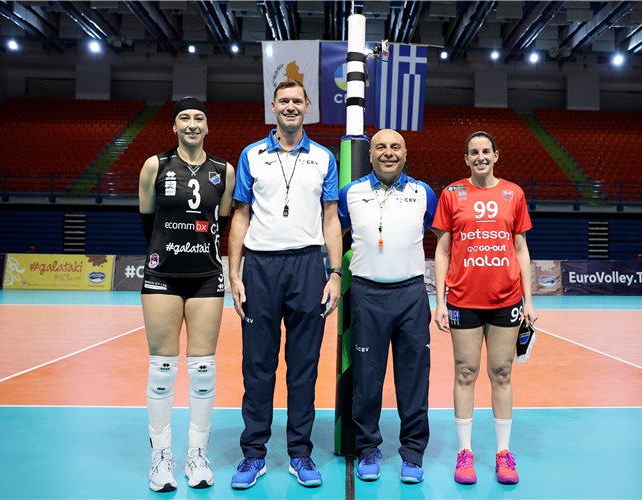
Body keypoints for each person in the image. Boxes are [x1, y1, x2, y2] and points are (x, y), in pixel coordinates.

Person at [227, 79, 342, 489]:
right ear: (273, 106)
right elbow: (240, 215)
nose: (291, 106)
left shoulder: (324, 158)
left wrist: (335, 273)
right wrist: (234, 273)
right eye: (284, 101)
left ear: (307, 107)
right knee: (258, 366)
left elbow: (332, 217)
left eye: (297, 101)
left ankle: (299, 453)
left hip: (308, 267)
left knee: (304, 366)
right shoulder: (251, 155)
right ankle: (253, 455)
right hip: (260, 267)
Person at [138, 97, 235, 492]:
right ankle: (160, 460)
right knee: (162, 369)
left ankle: (198, 456)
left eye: (198, 118)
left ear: (208, 127)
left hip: (206, 276)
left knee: (202, 370)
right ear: (174, 126)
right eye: (184, 118)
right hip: (163, 275)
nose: (192, 124)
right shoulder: (155, 165)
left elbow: (221, 220)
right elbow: (147, 219)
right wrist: (169, 252)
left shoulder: (223, 171)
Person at [433, 131, 536, 486]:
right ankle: (465, 453)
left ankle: (503, 453)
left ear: (496, 155)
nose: (480, 157)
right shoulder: (451, 194)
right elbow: (442, 251)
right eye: (474, 152)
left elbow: (520, 249)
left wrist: (529, 299)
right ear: (466, 158)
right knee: (465, 372)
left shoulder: (514, 194)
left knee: (502, 373)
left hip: (506, 299)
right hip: (463, 299)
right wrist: (440, 301)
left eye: (486, 151)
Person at [338, 129, 437, 484]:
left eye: (395, 147)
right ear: (370, 154)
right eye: (380, 147)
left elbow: (442, 238)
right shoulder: (350, 193)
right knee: (367, 379)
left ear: (406, 153)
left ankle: (413, 452)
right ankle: (368, 448)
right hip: (367, 295)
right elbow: (337, 231)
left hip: (411, 295)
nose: (388, 152)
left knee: (413, 378)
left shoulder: (423, 193)